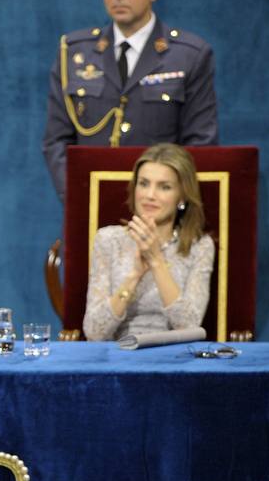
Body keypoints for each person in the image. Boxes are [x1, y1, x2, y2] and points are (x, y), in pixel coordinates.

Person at [43, 0, 218, 201]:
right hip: (88, 207)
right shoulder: (74, 52)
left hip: (160, 216)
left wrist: (162, 201)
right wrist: (78, 198)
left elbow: (200, 145)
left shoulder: (189, 56)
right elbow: (56, 141)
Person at [82, 143, 214, 341]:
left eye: (164, 187)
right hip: (117, 355)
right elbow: (94, 331)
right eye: (143, 183)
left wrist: (156, 261)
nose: (149, 195)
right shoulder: (108, 240)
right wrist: (134, 276)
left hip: (173, 357)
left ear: (182, 196)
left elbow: (188, 326)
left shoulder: (200, 246)